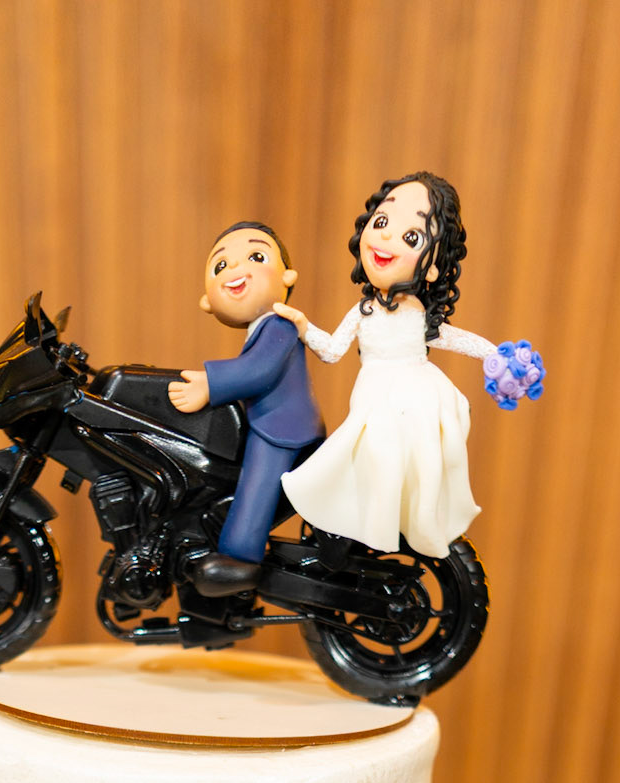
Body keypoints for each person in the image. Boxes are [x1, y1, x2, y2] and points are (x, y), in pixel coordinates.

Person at [272, 172, 538, 562]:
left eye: (411, 237)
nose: (386, 238)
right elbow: (331, 351)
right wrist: (302, 326)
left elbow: (454, 337)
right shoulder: (364, 310)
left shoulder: (418, 315)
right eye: (381, 221)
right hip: (374, 394)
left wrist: (495, 355)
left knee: (404, 460)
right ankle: (357, 524)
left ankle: (393, 524)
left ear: (432, 268)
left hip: (414, 397)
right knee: (367, 457)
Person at [169, 221, 323, 594]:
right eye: (221, 266)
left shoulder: (281, 326)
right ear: (207, 301)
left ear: (287, 277)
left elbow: (258, 371)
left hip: (281, 429)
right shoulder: (265, 328)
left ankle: (239, 559)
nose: (236, 269)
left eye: (256, 256)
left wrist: (209, 384)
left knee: (257, 485)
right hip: (271, 421)